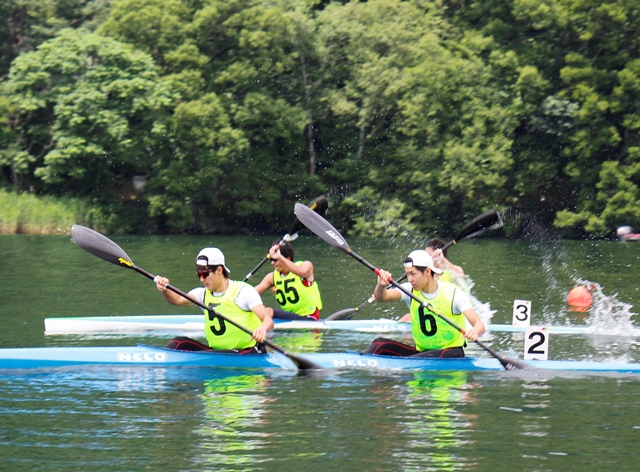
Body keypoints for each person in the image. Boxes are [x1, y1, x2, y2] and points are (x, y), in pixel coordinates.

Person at [364, 249, 485, 358]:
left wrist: (474, 331)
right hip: (422, 353)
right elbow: (381, 297)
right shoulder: (409, 290)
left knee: (415, 361)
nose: (410, 279)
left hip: (450, 353)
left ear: (427, 271)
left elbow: (479, 325)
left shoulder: (453, 293)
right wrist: (381, 285)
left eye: (413, 274)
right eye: (407, 274)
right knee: (379, 344)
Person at [155, 247, 274, 352]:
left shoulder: (243, 291)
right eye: (198, 274)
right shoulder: (202, 294)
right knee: (178, 343)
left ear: (219, 270)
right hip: (217, 352)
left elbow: (268, 320)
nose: (201, 279)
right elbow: (178, 300)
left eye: (205, 274)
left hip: (247, 352)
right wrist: (165, 290)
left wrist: (262, 328)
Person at [398, 238, 466, 322]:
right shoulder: (425, 275)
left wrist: (442, 260)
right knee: (407, 317)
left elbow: (461, 278)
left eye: (429, 255)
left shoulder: (452, 271)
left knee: (408, 318)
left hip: (448, 314)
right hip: (430, 312)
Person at [254, 241, 323, 321]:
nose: (272, 263)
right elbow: (252, 294)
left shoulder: (305, 265)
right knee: (258, 310)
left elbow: (303, 272)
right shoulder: (272, 277)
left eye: (275, 259)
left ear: (287, 258)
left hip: (309, 318)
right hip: (289, 319)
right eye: (271, 260)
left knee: (268, 311)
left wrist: (280, 257)